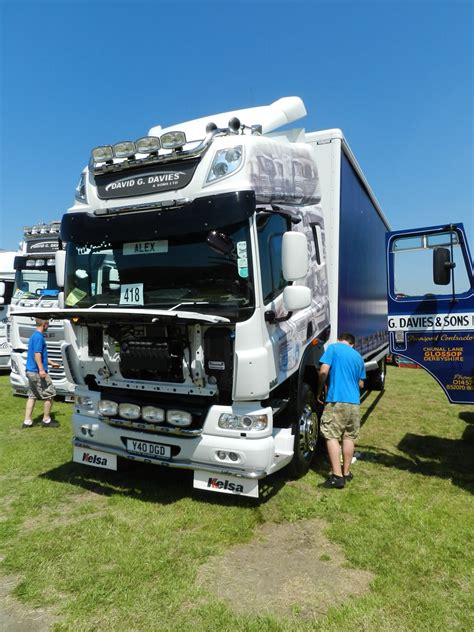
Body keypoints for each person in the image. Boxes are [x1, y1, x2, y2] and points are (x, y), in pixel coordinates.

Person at [316, 332, 365, 489]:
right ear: (352, 344)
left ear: (339, 340)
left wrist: (319, 390)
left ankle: (337, 476)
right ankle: (346, 472)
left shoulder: (334, 348)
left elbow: (323, 371)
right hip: (354, 403)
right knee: (349, 437)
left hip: (337, 400)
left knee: (331, 435)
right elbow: (361, 384)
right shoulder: (358, 357)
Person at [22, 318, 60, 428]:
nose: (48, 326)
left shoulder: (34, 336)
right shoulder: (39, 337)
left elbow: (39, 354)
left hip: (30, 371)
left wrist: (51, 362)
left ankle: (27, 422)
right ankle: (46, 420)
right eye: (48, 324)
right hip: (37, 372)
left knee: (32, 395)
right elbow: (37, 354)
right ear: (44, 324)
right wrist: (41, 369)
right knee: (50, 394)